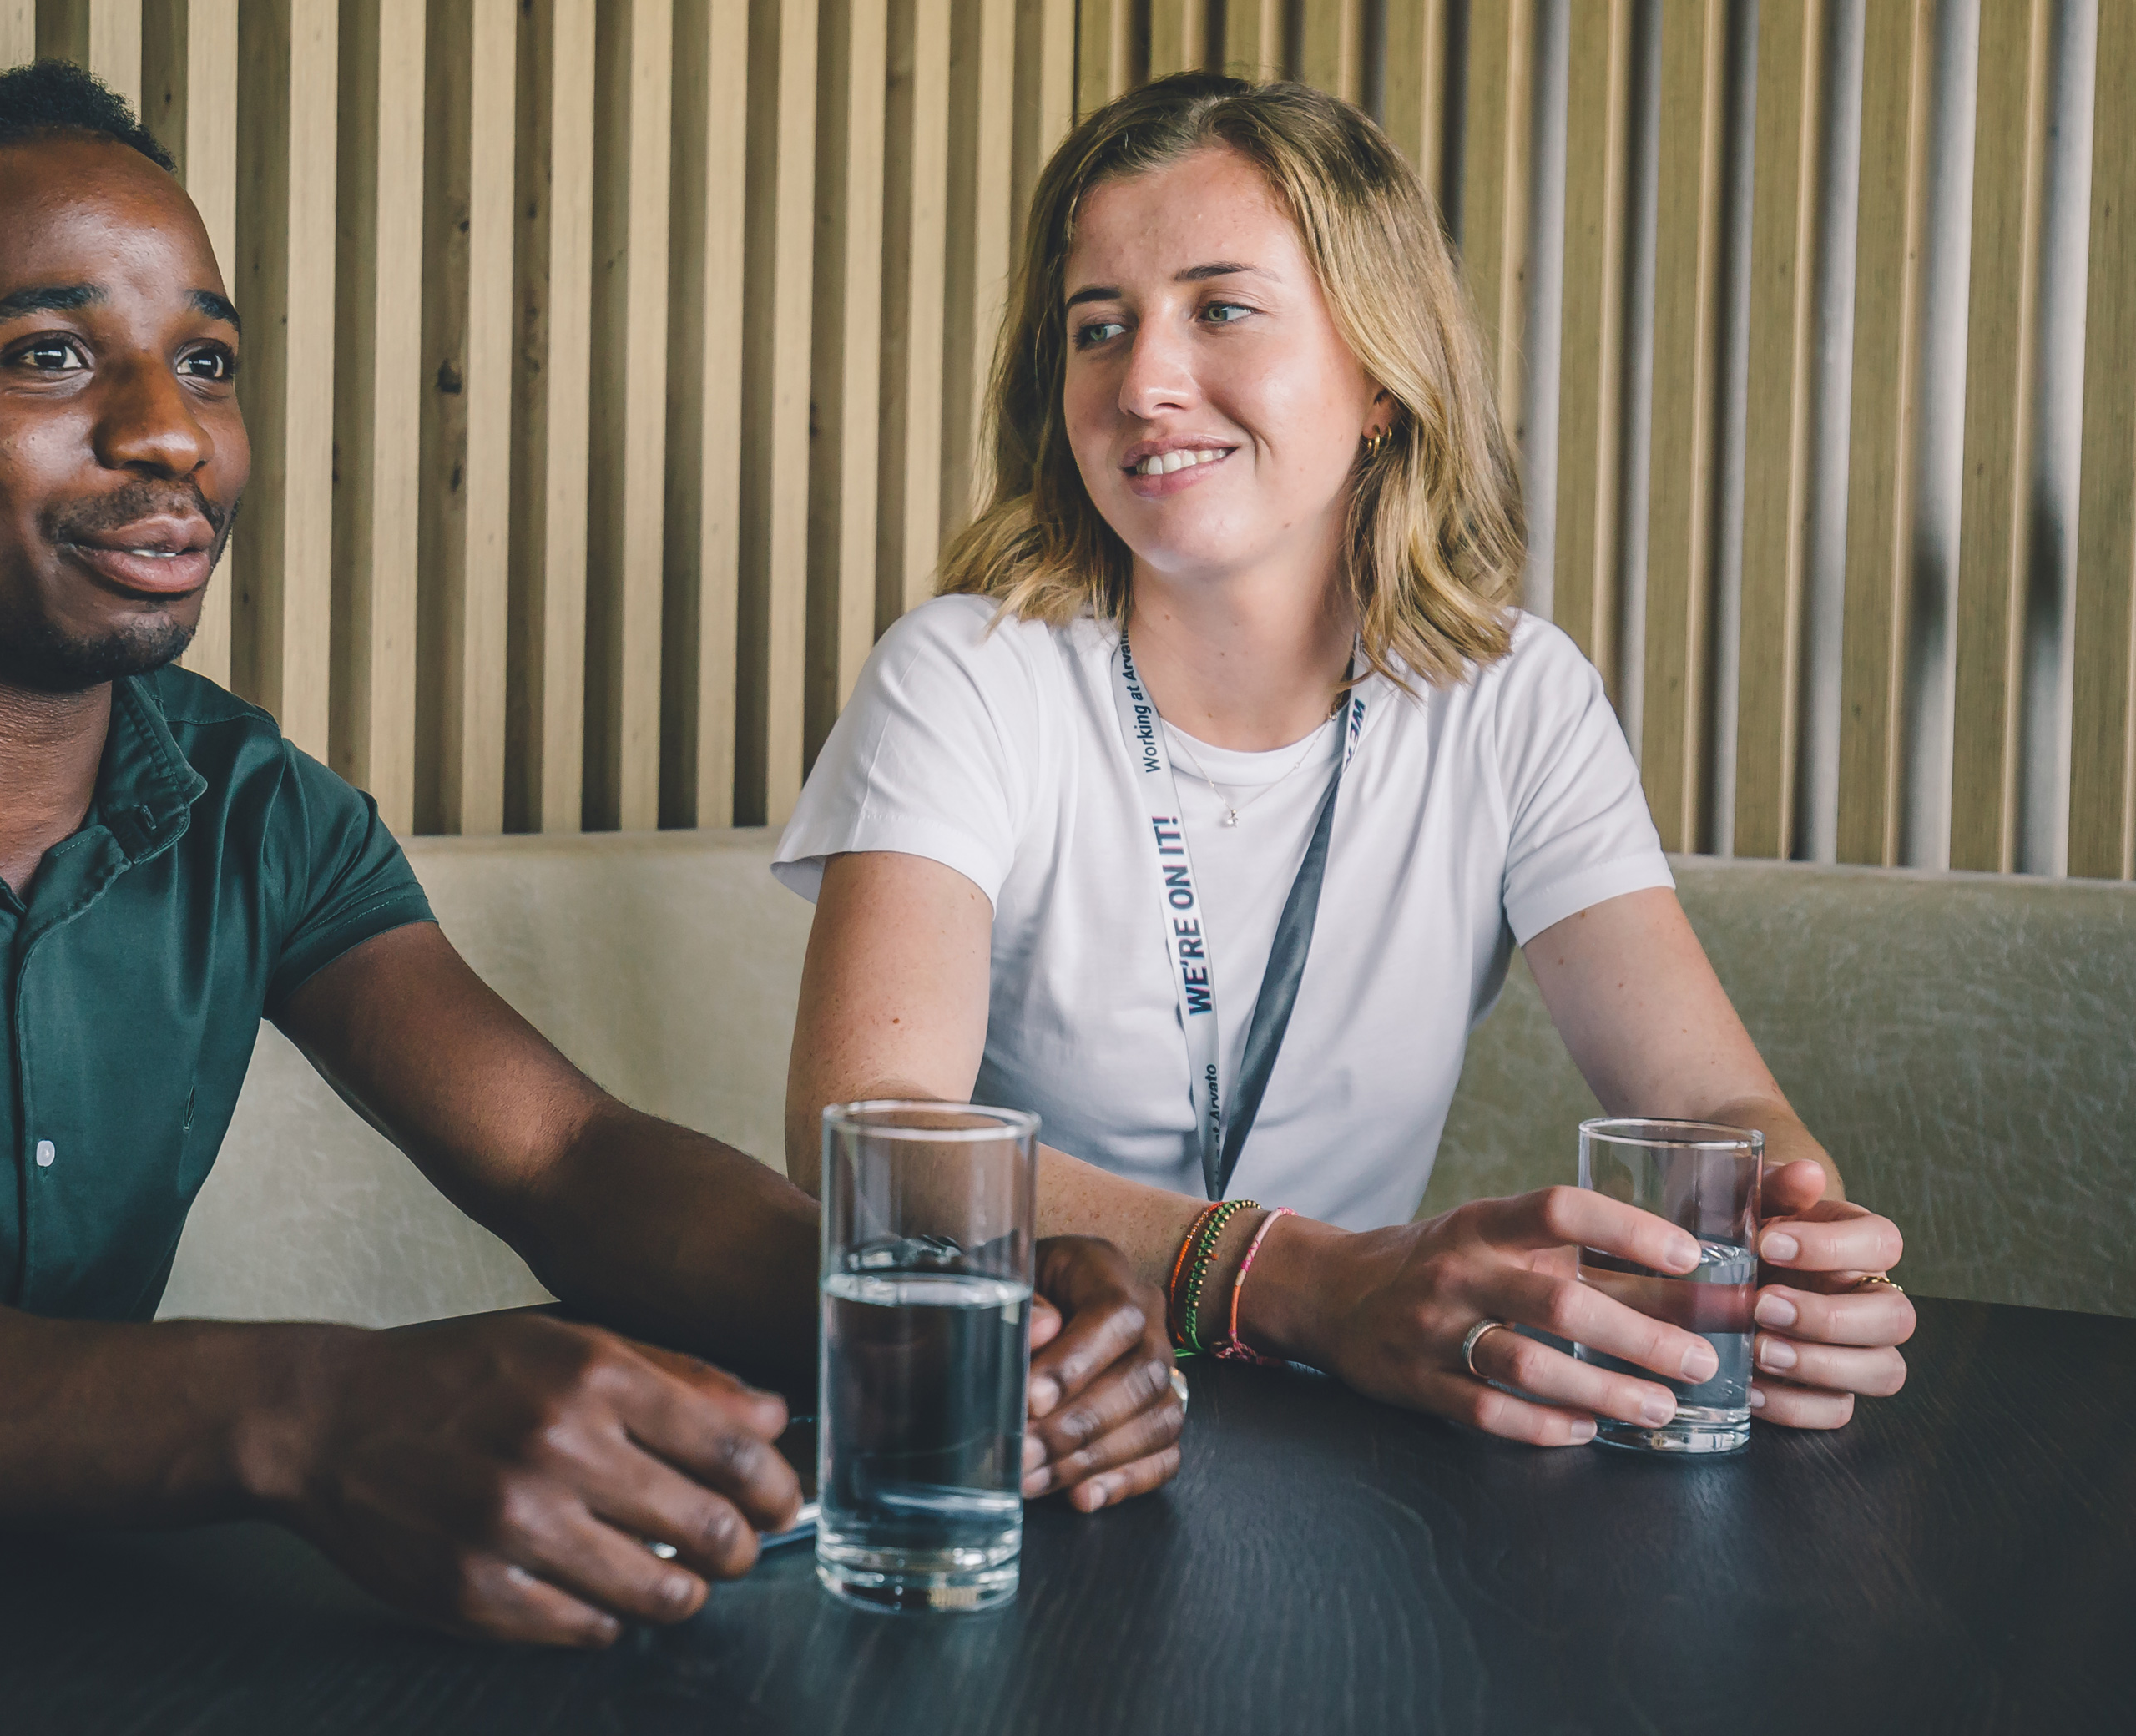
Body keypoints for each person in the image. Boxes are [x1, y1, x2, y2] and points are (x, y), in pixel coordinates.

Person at [0, 62, 1185, 1733]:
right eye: (49, 359)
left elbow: (563, 1158)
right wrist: (319, 1415)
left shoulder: (248, 799)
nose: (171, 433)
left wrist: (939, 1310)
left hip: (63, 1663)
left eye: (212, 362)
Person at [776, 71, 1914, 1458]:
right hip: (1031, 1428)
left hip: (1345, 1439)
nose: (1142, 381)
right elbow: (876, 1149)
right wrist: (1296, 1281)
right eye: (1098, 327)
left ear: (1380, 374)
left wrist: (1792, 1264)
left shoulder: (1518, 699)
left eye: (1222, 308)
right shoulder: (967, 671)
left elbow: (1711, 1109)